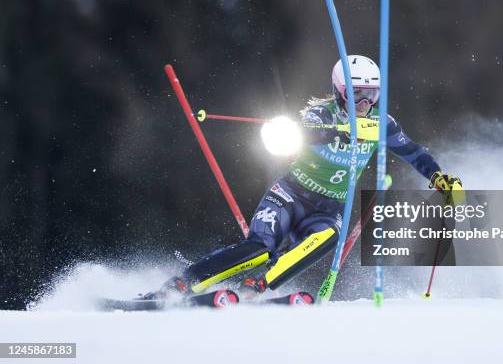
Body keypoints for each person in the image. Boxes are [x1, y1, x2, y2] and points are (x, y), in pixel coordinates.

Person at [143, 54, 462, 300]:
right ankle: (184, 283)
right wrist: (341, 130)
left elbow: (413, 152)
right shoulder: (320, 114)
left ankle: (256, 285)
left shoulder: (382, 124)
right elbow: (303, 133)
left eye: (373, 95)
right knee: (260, 248)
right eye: (358, 94)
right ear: (340, 92)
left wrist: (438, 177)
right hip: (290, 195)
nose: (365, 103)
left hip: (328, 207)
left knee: (329, 236)